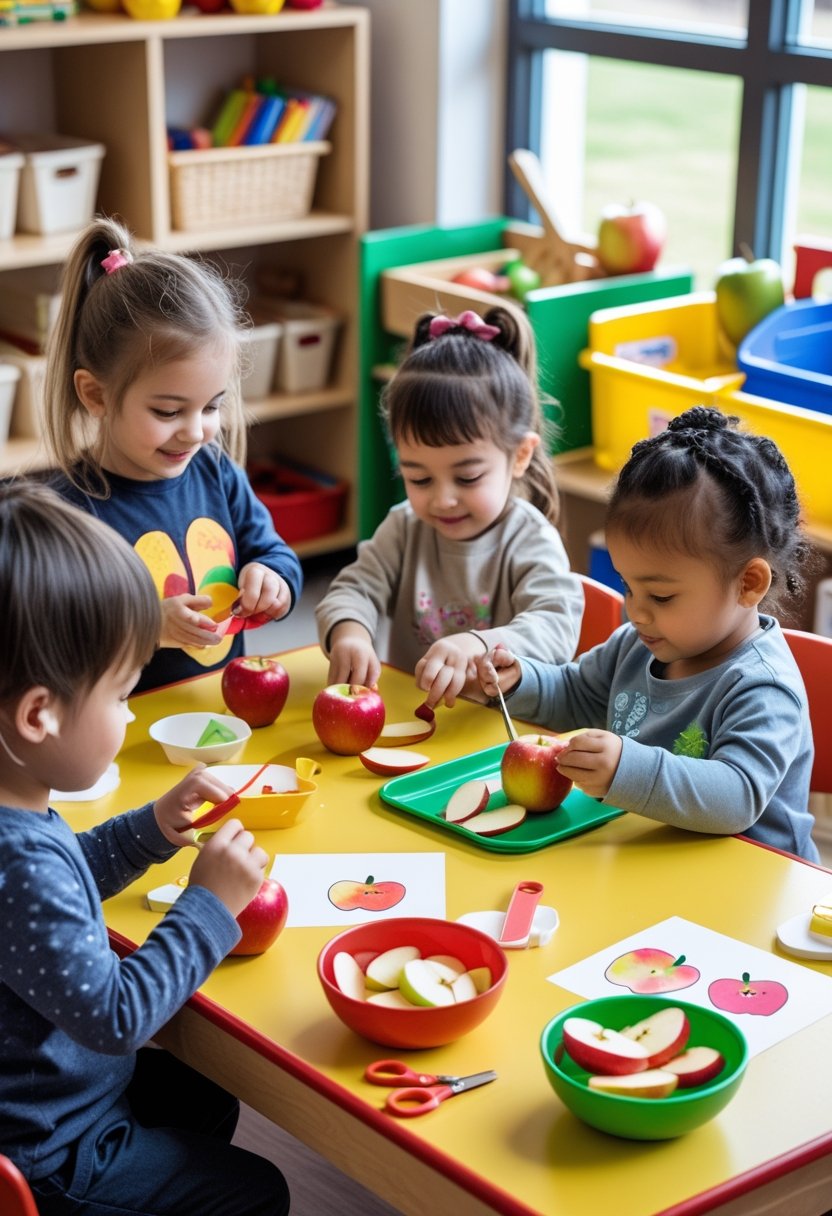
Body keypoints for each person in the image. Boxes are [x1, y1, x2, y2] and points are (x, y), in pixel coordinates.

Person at [0, 481, 290, 1216]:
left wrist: (151, 827)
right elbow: (118, 1016)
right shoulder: (18, 858)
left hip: (52, 1099)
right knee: (256, 1194)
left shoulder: (17, 816)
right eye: (122, 694)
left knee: (210, 1091)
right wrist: (209, 905)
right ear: (40, 715)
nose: (131, 714)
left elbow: (60, 892)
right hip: (55, 1153)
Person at [477, 406, 820, 863]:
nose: (634, 610)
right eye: (627, 585)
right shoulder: (641, 644)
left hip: (754, 891)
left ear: (748, 584)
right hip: (654, 863)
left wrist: (628, 768)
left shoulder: (762, 686)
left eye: (660, 596)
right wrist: (520, 681)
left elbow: (737, 798)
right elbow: (579, 694)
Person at [43, 215, 303, 693]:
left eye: (212, 406)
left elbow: (274, 552)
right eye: (167, 411)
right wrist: (145, 627)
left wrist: (273, 580)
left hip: (224, 711)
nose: (195, 432)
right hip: (123, 734)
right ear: (95, 395)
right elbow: (53, 639)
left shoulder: (216, 472)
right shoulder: (65, 513)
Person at [315, 306, 583, 709]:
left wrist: (478, 644)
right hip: (414, 722)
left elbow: (555, 626)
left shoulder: (529, 538)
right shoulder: (404, 527)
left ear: (520, 455)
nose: (442, 500)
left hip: (498, 735)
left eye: (468, 478)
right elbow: (354, 589)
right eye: (419, 478)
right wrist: (350, 632)